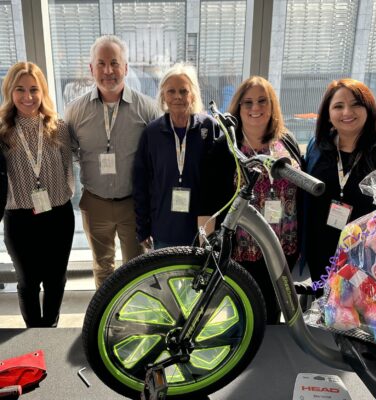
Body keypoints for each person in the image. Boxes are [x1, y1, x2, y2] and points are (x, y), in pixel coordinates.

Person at [199, 76, 302, 324]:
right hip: (243, 251)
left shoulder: (286, 141)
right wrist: (208, 247)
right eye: (248, 103)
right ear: (238, 107)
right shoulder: (227, 147)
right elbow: (207, 200)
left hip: (282, 247)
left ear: (272, 105)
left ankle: (270, 357)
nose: (255, 108)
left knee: (273, 313)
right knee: (242, 314)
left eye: (262, 101)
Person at [65, 35, 160, 289]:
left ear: (126, 68)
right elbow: (72, 149)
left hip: (133, 204)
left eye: (115, 63)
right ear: (91, 69)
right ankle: (104, 319)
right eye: (102, 63)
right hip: (95, 203)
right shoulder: (75, 111)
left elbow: (155, 159)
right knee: (102, 266)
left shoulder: (148, 109)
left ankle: (133, 319)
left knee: (135, 267)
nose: (108, 71)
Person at [304, 78, 376, 286]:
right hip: (322, 249)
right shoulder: (318, 147)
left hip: (372, 258)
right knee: (324, 307)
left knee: (361, 314)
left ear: (369, 109)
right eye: (338, 106)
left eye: (356, 104)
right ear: (328, 114)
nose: (347, 112)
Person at [0, 62, 75, 327]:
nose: (28, 96)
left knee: (56, 280)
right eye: (20, 89)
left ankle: (50, 328)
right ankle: (34, 332)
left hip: (58, 216)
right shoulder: (2, 132)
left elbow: (68, 166)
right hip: (19, 218)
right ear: (10, 91)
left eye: (34, 89)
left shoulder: (59, 128)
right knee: (28, 282)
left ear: (43, 91)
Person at [133, 63, 219, 250]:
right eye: (171, 91)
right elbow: (141, 182)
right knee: (166, 277)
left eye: (183, 91)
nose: (178, 96)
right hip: (164, 227)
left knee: (200, 278)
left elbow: (219, 180)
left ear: (193, 94)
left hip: (201, 227)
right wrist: (142, 227)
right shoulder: (152, 133)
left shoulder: (209, 127)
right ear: (163, 95)